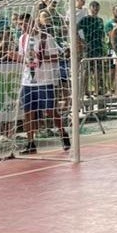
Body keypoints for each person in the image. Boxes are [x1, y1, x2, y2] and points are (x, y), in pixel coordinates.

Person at [12, 13, 72, 154]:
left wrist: (41, 57)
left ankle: (63, 133)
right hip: (27, 81)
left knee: (50, 110)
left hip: (45, 80)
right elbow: (23, 58)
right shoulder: (22, 39)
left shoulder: (46, 37)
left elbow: (57, 55)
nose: (22, 27)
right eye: (20, 24)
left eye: (25, 24)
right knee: (28, 112)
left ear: (32, 23)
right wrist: (15, 57)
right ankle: (31, 143)